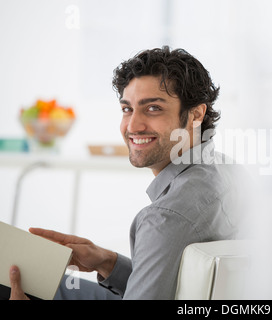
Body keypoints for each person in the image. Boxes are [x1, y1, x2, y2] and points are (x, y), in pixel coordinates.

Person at [9, 46, 247, 300]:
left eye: (153, 108)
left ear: (196, 115)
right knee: (37, 278)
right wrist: (107, 262)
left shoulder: (165, 219)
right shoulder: (233, 173)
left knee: (15, 282)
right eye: (127, 109)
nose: (132, 125)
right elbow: (177, 284)